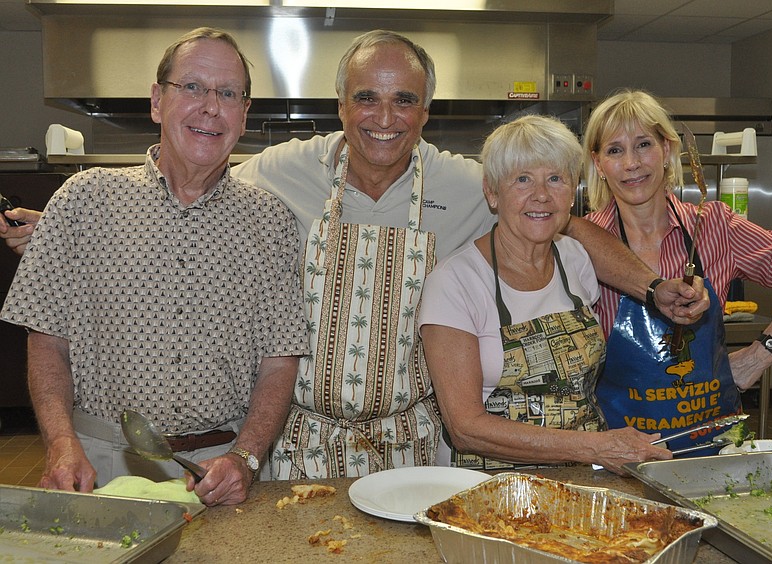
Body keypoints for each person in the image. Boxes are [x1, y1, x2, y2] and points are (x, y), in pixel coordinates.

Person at [2, 31, 707, 479]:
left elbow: (564, 224)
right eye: (366, 97)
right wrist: (69, 225)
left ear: (425, 112)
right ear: (341, 104)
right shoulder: (280, 171)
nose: (384, 117)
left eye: (405, 101)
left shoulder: (466, 184)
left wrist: (651, 287)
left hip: (414, 444)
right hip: (299, 445)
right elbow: (191, 184)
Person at [0, 27, 309, 504]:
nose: (210, 106)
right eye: (192, 87)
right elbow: (46, 339)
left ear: (243, 116)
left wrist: (245, 457)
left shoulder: (270, 223)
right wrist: (62, 442)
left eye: (227, 93)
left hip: (217, 469)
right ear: (156, 101)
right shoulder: (83, 200)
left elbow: (279, 360)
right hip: (101, 462)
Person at [583, 89, 772, 452]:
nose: (631, 163)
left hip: (712, 448)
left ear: (667, 150)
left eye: (643, 144)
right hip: (619, 450)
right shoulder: (581, 243)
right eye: (614, 150)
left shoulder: (715, 226)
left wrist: (759, 356)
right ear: (598, 164)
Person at [418, 114, 672, 474]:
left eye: (555, 178)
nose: (541, 195)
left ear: (572, 193)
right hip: (487, 484)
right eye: (522, 179)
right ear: (492, 192)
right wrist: (594, 447)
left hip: (580, 479)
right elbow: (465, 428)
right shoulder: (455, 281)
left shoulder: (576, 260)